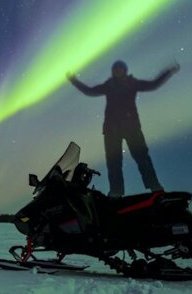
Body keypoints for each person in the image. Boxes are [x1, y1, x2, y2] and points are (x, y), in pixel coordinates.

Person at [66, 60, 180, 198]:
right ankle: (116, 192)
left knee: (142, 157)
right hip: (111, 131)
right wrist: (73, 80)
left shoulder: (133, 83)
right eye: (115, 68)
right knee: (113, 162)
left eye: (120, 68)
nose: (117, 70)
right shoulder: (109, 85)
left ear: (124, 70)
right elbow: (90, 91)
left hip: (132, 128)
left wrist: (168, 72)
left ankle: (155, 187)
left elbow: (153, 85)